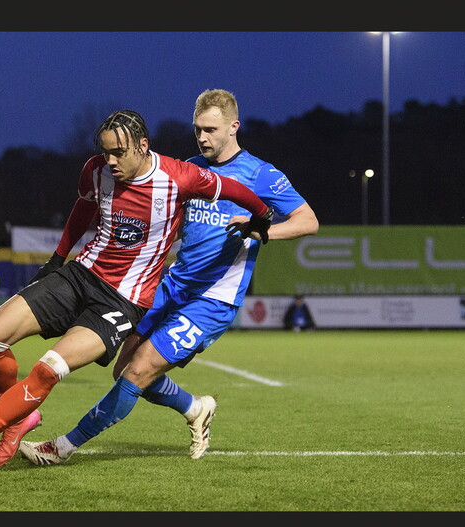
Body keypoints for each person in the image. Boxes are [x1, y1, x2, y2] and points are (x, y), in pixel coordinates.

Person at [0, 109, 275, 471]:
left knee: (49, 368)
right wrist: (57, 260)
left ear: (143, 146)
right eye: (106, 152)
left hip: (122, 301)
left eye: (119, 152)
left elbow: (236, 189)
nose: (111, 161)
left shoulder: (179, 177)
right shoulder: (95, 170)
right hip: (79, 276)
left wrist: (261, 217)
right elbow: (82, 209)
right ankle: (17, 419)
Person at [19, 89, 319, 465]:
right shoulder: (188, 170)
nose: (203, 137)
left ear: (233, 127)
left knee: (140, 369)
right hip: (170, 285)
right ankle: (195, 408)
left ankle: (62, 447)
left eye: (211, 129)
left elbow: (309, 222)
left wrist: (262, 231)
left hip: (213, 299)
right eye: (198, 130)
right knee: (123, 369)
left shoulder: (261, 174)